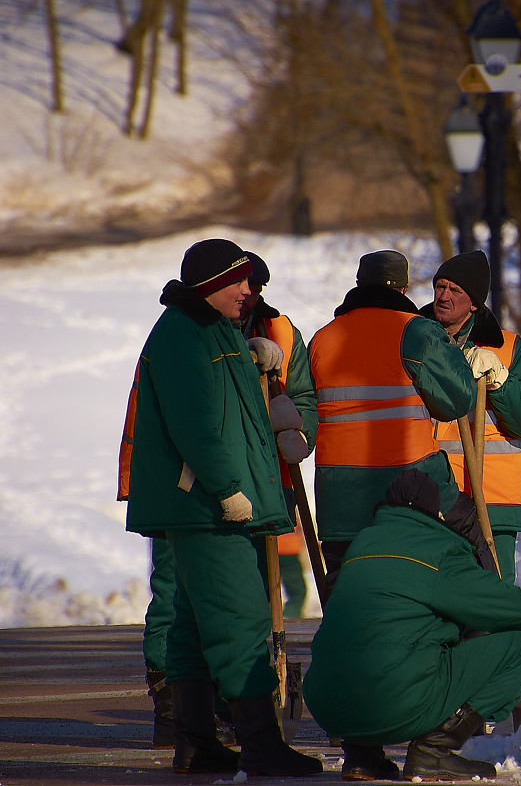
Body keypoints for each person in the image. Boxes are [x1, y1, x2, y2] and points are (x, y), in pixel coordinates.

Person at [123, 238, 322, 776]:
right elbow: (197, 425)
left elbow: (232, 411)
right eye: (238, 282)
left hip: (199, 505)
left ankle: (196, 741)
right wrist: (229, 488)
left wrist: (248, 363)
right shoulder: (185, 338)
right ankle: (261, 744)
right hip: (208, 507)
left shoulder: (211, 331)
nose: (249, 291)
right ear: (210, 285)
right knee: (241, 618)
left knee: (189, 624)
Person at [302, 469, 521, 781]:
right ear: (436, 512)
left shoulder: (358, 547)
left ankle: (362, 755)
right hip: (393, 702)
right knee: (518, 646)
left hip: (327, 705)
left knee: (370, 641)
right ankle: (433, 751)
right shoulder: (440, 550)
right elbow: (513, 609)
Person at [307, 250, 480, 587]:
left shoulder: (322, 339)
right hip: (411, 487)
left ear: (358, 285)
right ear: (402, 290)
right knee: (465, 537)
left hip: (340, 499)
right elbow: (458, 401)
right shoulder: (417, 331)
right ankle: (484, 625)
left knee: (348, 589)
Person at [420, 250, 521, 584]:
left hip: (491, 503)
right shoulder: (415, 342)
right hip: (430, 499)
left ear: (475, 303)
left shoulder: (506, 348)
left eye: (455, 290)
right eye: (440, 286)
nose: (444, 296)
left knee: (493, 600)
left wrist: (501, 382)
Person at [238, 252, 318, 617]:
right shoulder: (203, 329)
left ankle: (268, 657)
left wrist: (300, 436)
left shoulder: (281, 329)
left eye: (257, 288)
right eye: (245, 286)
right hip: (223, 473)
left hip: (273, 475)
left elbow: (304, 395)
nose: (251, 294)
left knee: (270, 579)